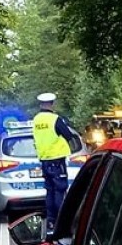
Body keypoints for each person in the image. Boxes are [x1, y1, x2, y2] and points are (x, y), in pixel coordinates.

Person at [32, 92, 80, 232]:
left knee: (50, 191)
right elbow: (68, 135)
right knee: (60, 190)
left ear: (41, 104)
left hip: (45, 160)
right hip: (57, 160)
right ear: (52, 104)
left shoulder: (36, 120)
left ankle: (51, 222)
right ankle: (62, 222)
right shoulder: (55, 119)